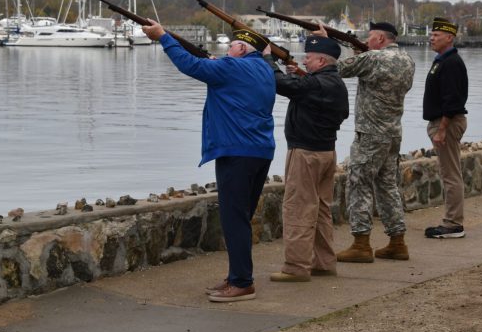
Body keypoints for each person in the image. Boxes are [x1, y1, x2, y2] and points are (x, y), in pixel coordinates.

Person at [142, 22, 276, 302]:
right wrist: (222, 65)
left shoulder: (231, 67)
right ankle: (236, 276)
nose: (227, 50)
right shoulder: (264, 68)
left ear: (241, 48)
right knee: (241, 217)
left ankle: (242, 282)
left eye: (231, 46)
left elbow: (189, 65)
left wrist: (164, 37)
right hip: (260, 152)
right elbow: (246, 67)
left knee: (233, 219)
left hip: (235, 151)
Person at [261, 36, 349, 282]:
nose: (305, 62)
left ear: (321, 60)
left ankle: (296, 267)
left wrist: (269, 59)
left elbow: (280, 83)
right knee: (320, 209)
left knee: (298, 208)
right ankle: (323, 262)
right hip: (326, 152)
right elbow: (311, 94)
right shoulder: (335, 83)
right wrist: (300, 76)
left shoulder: (316, 84)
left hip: (305, 153)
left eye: (309, 58)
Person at [331, 21, 415, 263]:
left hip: (369, 134)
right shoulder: (407, 59)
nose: (367, 42)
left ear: (379, 39)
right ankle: (397, 241)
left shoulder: (374, 59)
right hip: (392, 132)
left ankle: (361, 243)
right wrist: (360, 50)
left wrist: (331, 41)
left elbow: (338, 69)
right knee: (388, 186)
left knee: (359, 183)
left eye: (369, 38)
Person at [423, 17, 468, 239]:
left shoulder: (451, 63)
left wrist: (441, 129)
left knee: (450, 174)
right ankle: (452, 221)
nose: (431, 38)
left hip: (447, 123)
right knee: (449, 172)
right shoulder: (443, 59)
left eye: (436, 35)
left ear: (449, 38)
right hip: (441, 121)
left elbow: (453, 101)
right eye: (431, 34)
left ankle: (453, 224)